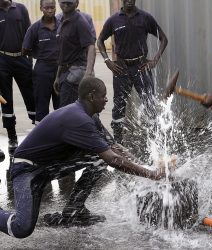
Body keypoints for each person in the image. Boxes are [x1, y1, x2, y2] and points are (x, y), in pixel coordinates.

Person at [0, 77, 165, 239]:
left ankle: (74, 209)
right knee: (21, 228)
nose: (106, 99)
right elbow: (113, 160)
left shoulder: (89, 117)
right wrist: (151, 175)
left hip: (47, 168)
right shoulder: (78, 119)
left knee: (99, 157)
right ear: (92, 97)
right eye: (103, 95)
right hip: (27, 170)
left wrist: (147, 167)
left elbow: (114, 148)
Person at [97, 0, 168, 144]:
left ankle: (154, 141)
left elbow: (164, 39)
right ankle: (118, 142)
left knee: (149, 103)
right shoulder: (114, 20)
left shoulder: (145, 18)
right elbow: (100, 41)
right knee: (119, 105)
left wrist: (154, 60)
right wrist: (107, 61)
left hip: (141, 67)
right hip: (121, 68)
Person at [0, 0, 36, 154]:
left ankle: (37, 134)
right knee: (6, 100)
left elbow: (29, 33)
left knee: (31, 96)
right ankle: (12, 137)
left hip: (22, 59)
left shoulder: (21, 8)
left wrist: (29, 59)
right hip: (2, 60)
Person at [22, 0, 59, 125]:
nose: (49, 10)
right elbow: (25, 49)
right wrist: (39, 54)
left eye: (52, 7)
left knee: (61, 106)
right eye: (46, 7)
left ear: (55, 8)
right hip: (42, 70)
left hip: (61, 69)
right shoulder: (34, 28)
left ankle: (61, 137)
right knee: (41, 105)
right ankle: (41, 137)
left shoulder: (62, 25)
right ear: (41, 8)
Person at [54, 0, 96, 107]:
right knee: (71, 111)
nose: (66, 4)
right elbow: (63, 52)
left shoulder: (80, 21)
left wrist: (88, 73)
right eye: (63, 2)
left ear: (76, 3)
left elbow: (91, 47)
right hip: (65, 72)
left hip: (75, 74)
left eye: (69, 2)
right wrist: (58, 76)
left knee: (67, 111)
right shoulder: (62, 21)